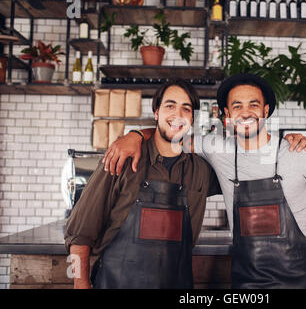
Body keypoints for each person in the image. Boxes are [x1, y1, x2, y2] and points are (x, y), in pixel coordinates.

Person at [103, 73, 306, 289]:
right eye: (237, 106)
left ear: (265, 110)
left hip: (301, 282)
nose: (246, 112)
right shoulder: (216, 147)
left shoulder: (297, 152)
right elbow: (168, 135)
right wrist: (135, 135)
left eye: (253, 104)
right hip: (246, 284)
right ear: (226, 115)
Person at [65, 78, 224, 289]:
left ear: (192, 119)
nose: (177, 114)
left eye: (186, 108)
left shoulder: (200, 170)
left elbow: (246, 165)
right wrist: (80, 284)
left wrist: (283, 141)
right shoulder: (120, 159)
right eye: (170, 106)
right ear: (156, 112)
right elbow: (79, 233)